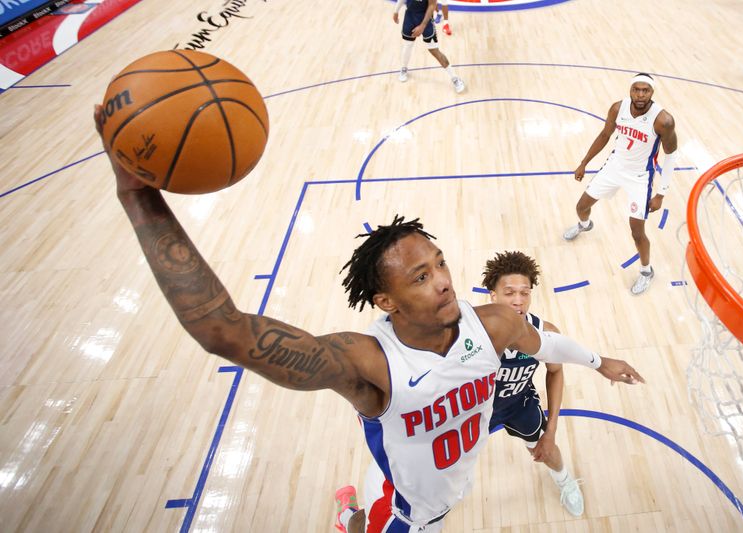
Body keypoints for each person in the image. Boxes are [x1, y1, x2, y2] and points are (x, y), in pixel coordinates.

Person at [93, 106, 643, 533]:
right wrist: (137, 196)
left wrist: (601, 361)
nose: (445, 280)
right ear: (387, 301)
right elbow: (224, 331)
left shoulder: (492, 324)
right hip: (404, 509)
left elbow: (548, 346)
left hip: (447, 487)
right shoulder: (368, 362)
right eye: (421, 277)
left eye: (440, 264)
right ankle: (348, 517)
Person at [481, 251, 584, 517]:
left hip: (519, 404)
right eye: (509, 292)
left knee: (545, 450)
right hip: (478, 410)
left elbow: (556, 372)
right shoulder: (473, 333)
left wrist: (551, 432)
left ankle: (564, 480)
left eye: (524, 293)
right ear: (493, 296)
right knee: (451, 464)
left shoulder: (545, 331)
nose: (518, 301)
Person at [562, 73, 678, 295]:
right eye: (637, 89)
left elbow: (671, 155)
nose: (641, 94)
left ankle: (646, 271)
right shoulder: (618, 109)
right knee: (581, 207)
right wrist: (584, 162)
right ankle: (585, 225)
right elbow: (605, 134)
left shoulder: (663, 120)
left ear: (652, 93)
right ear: (630, 90)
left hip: (640, 177)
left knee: (637, 231)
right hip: (614, 167)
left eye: (646, 90)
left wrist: (661, 193)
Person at [393, 0, 465, 93]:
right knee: (408, 45)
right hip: (410, 17)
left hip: (425, 19)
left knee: (434, 50)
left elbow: (432, 5)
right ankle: (403, 69)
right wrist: (396, 11)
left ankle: (455, 78)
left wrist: (422, 26)